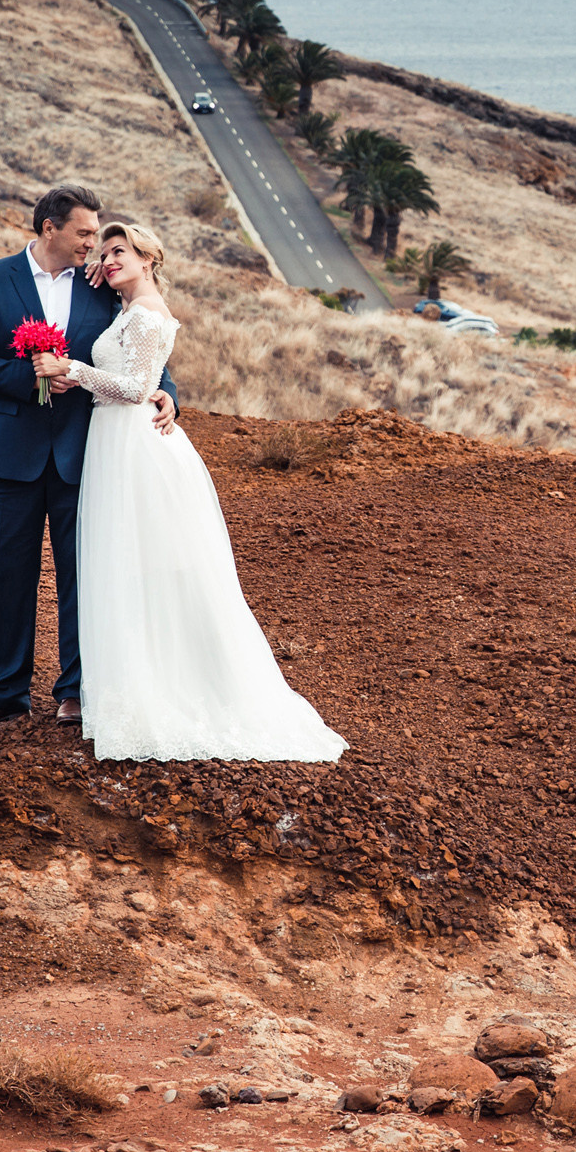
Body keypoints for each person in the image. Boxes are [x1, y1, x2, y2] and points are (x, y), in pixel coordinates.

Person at [34, 221, 344, 762]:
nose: (108, 261)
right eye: (103, 254)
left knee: (145, 563)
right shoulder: (127, 307)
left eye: (120, 252)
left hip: (132, 443)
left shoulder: (148, 312)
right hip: (112, 441)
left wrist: (72, 369)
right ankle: (131, 682)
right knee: (123, 563)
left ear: (149, 258)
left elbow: (135, 388)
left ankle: (167, 688)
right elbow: (140, 376)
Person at [0, 185, 179, 730]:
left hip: (88, 451)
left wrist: (167, 390)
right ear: (49, 227)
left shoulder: (103, 286)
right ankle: (2, 693)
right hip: (12, 450)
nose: (93, 245)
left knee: (83, 575)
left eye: (98, 235)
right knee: (9, 572)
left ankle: (74, 691)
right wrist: (31, 377)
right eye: (84, 233)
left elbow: (141, 341)